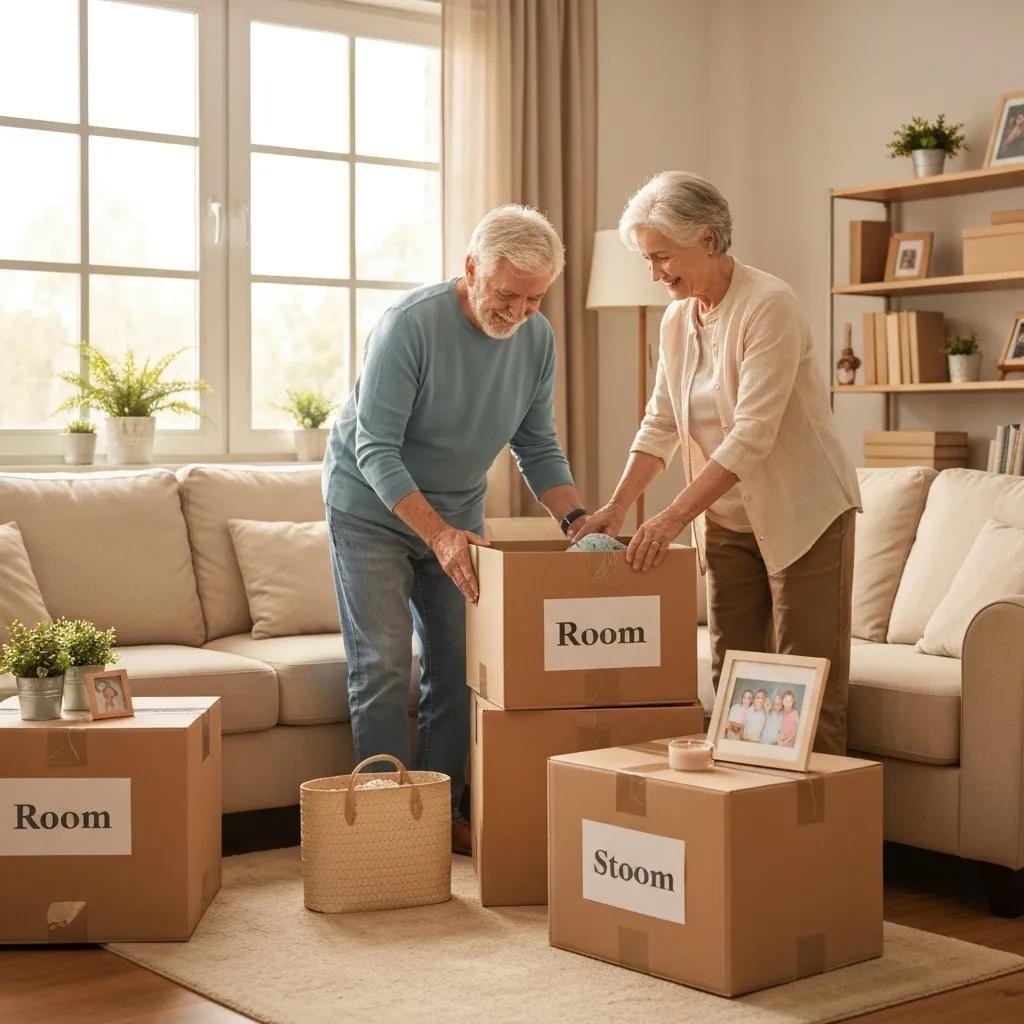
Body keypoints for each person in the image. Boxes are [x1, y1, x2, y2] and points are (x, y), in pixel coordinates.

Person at [323, 205, 587, 857]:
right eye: (506, 294)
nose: (519, 312)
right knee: (382, 664)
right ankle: (387, 825)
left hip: (459, 516)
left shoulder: (537, 339)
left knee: (457, 666)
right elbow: (375, 448)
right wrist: (437, 534)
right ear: (471, 268)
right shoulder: (409, 326)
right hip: (371, 507)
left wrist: (577, 521)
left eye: (535, 298)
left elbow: (536, 444)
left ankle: (441, 816)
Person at [575, 171, 860, 756]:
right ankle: (746, 809)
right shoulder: (677, 319)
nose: (656, 274)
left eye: (662, 257)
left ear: (706, 239)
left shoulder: (769, 306)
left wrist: (671, 518)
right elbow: (661, 423)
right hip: (726, 521)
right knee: (734, 686)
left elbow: (751, 437)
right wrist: (618, 506)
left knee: (807, 689)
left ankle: (822, 812)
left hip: (803, 515)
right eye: (648, 260)